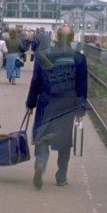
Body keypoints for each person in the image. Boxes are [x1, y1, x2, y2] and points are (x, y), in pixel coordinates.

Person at [26, 24, 87, 189]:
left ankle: (40, 163)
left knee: (42, 136)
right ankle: (61, 176)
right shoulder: (78, 58)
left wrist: (30, 103)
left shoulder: (43, 55)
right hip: (67, 105)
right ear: (73, 38)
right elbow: (81, 85)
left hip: (46, 103)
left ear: (57, 37)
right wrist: (81, 108)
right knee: (64, 141)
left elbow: (36, 82)